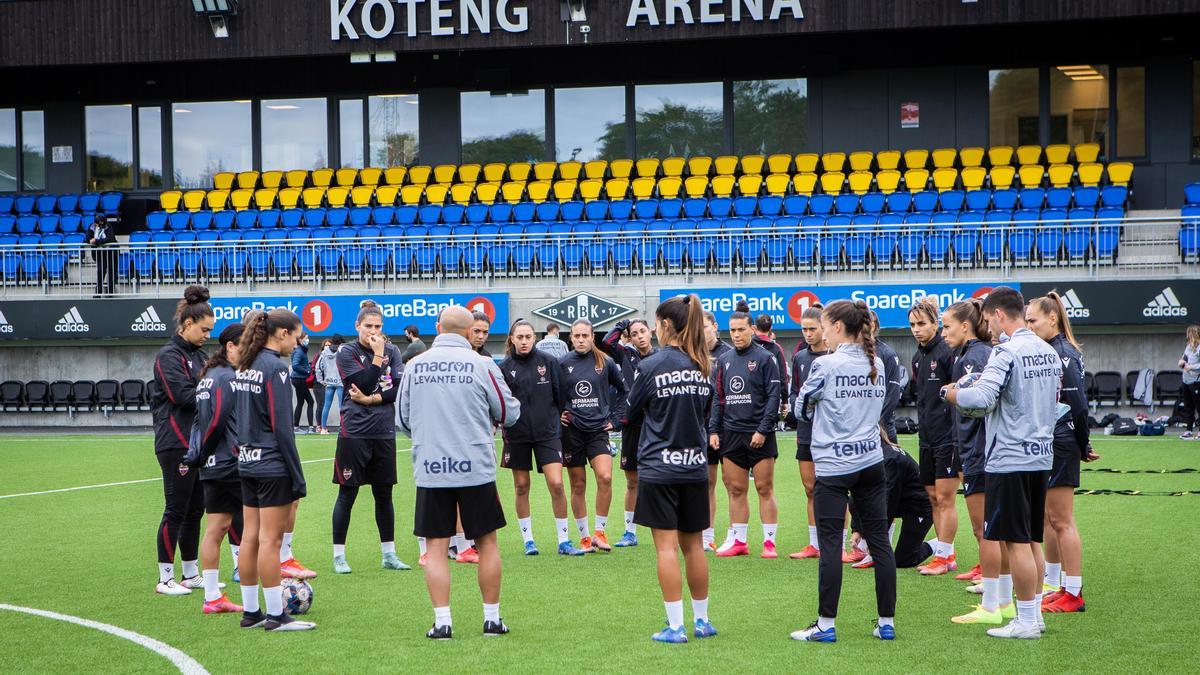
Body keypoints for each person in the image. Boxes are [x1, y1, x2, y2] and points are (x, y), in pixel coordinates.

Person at [944, 286, 1061, 640]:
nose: (988, 329)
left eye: (988, 320)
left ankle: (1026, 621)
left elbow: (981, 400)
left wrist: (953, 394)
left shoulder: (1005, 352)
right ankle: (1034, 614)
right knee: (1031, 539)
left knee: (1016, 542)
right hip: (1041, 453)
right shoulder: (1047, 350)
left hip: (1009, 456)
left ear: (997, 315)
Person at [400, 305, 520, 640]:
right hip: (475, 469)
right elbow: (509, 413)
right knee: (487, 543)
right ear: (470, 332)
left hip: (431, 468)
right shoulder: (483, 365)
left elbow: (402, 419)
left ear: (439, 328)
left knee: (436, 546)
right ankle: (492, 620)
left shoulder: (414, 366)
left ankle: (442, 623)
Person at [791, 299, 896, 643]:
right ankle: (886, 623)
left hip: (835, 466)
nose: (820, 331)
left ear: (837, 327)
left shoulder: (825, 365)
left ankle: (826, 624)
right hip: (871, 461)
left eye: (822, 324)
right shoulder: (876, 361)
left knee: (831, 543)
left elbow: (801, 409)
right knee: (880, 542)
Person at [626, 294, 717, 643]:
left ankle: (676, 626)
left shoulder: (650, 366)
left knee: (666, 548)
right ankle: (703, 621)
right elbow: (705, 413)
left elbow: (631, 413)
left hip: (659, 468)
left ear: (665, 325)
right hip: (695, 467)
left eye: (654, 322)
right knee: (693, 546)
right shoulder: (704, 365)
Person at [233, 308, 314, 631]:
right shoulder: (275, 370)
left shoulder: (244, 365)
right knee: (270, 540)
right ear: (282, 333)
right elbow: (283, 428)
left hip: (247, 462)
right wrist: (297, 475)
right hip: (271, 464)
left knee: (250, 538)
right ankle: (276, 615)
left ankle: (251, 612)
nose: (297, 343)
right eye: (296, 336)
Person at [1027, 292, 1100, 614]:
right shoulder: (1050, 350)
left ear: (1052, 318)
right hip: (1053, 440)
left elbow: (1078, 406)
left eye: (1033, 320)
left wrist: (1083, 444)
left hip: (1062, 440)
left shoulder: (1062, 353)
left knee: (1062, 520)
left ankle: (1074, 591)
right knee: (1049, 518)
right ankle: (1058, 585)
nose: (1028, 326)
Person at [331, 301, 410, 574]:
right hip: (354, 432)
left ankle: (389, 553)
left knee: (384, 494)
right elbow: (360, 383)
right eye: (368, 326)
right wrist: (377, 357)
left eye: (378, 326)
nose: (373, 331)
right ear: (357, 326)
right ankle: (339, 556)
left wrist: (371, 400)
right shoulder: (347, 351)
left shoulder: (394, 350)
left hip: (384, 431)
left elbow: (397, 389)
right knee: (347, 493)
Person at [499, 319, 584, 556]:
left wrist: (553, 419)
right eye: (520, 337)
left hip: (548, 433)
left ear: (534, 338)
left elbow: (560, 396)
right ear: (512, 339)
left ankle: (564, 541)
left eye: (528, 337)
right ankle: (528, 541)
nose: (524, 341)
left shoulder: (549, 362)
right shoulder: (504, 367)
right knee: (521, 487)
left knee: (556, 484)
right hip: (517, 435)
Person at [151, 285, 213, 596]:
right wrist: (213, 394)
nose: (206, 335)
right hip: (175, 442)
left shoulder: (199, 355)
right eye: (203, 330)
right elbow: (183, 396)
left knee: (195, 509)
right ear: (187, 325)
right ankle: (165, 578)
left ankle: (190, 573)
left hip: (197, 442)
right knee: (175, 509)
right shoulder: (168, 356)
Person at [181, 323, 247, 615]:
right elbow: (218, 421)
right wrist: (206, 451)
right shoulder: (228, 377)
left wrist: (198, 454)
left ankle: (212, 598)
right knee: (257, 527)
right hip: (230, 462)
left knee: (216, 529)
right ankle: (261, 598)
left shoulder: (207, 376)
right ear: (230, 346)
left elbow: (198, 421)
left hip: (211, 465)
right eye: (246, 345)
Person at [710, 301, 782, 559]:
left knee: (764, 487)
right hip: (731, 434)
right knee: (736, 489)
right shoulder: (724, 361)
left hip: (759, 434)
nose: (737, 334)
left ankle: (769, 542)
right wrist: (714, 431)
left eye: (741, 329)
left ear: (752, 329)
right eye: (733, 330)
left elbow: (774, 397)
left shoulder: (766, 358)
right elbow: (719, 399)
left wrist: (763, 429)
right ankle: (739, 541)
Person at [939, 299, 995, 605]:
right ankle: (992, 579)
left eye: (947, 327)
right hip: (983, 448)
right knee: (990, 524)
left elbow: (975, 405)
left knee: (982, 526)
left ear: (965, 325)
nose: (943, 333)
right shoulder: (979, 354)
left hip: (978, 449)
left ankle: (993, 585)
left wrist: (952, 393)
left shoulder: (971, 358)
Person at [559, 318, 627, 552]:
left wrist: (616, 420)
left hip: (598, 430)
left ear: (592, 337)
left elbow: (623, 390)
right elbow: (552, 396)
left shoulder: (605, 361)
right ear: (570, 337)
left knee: (605, 477)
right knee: (578, 485)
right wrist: (559, 414)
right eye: (576, 336)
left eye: (585, 336)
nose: (580, 340)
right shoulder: (562, 363)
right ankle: (585, 537)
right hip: (572, 432)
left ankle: (600, 532)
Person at [908, 297, 960, 576]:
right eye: (913, 325)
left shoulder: (946, 352)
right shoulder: (918, 356)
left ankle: (944, 555)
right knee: (931, 496)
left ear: (935, 323)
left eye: (922, 324)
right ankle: (945, 554)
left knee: (944, 497)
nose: (916, 329)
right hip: (926, 435)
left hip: (948, 436)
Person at [599, 317, 658, 548]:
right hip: (632, 424)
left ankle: (664, 527)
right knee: (632, 480)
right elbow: (606, 342)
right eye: (634, 333)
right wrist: (623, 324)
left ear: (650, 333)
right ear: (630, 337)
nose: (640, 336)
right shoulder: (626, 356)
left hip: (657, 423)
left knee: (660, 479)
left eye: (643, 331)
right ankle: (629, 532)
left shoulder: (660, 357)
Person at [849, 426, 934, 571]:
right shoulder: (869, 456)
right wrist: (857, 529)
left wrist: (875, 541)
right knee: (854, 498)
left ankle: (941, 545)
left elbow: (887, 501)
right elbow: (860, 493)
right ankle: (870, 548)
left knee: (903, 560)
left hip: (919, 506)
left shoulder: (889, 458)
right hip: (902, 502)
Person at [787, 303, 830, 560]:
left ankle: (840, 543)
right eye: (804, 329)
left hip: (830, 433)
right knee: (810, 488)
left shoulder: (834, 356)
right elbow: (795, 391)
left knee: (834, 487)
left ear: (824, 328)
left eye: (812, 328)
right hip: (806, 431)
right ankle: (814, 544)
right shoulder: (800, 357)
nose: (807, 334)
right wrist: (797, 407)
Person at [700, 311, 732, 552]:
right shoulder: (693, 353)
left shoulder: (729, 354)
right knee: (707, 481)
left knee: (732, 482)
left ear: (714, 326)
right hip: (703, 426)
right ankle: (707, 535)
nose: (702, 331)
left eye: (705, 326)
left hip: (729, 426)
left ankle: (735, 533)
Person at [872, 313, 906, 444]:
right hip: (860, 432)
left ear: (873, 326)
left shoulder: (887, 354)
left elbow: (892, 395)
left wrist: (877, 424)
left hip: (884, 428)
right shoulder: (853, 354)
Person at [751, 313, 789, 421]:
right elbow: (783, 377)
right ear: (771, 328)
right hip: (770, 401)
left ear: (754, 327)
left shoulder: (747, 346)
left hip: (748, 400)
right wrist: (785, 401)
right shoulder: (776, 348)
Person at [315, 336, 344, 435]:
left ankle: (323, 429)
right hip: (340, 382)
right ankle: (343, 428)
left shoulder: (325, 352)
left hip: (329, 382)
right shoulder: (342, 351)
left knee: (326, 406)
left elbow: (318, 367)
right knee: (341, 406)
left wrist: (320, 380)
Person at [87, 214, 116, 296]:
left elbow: (111, 238)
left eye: (102, 223)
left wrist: (97, 241)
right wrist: (91, 240)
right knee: (100, 271)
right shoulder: (91, 227)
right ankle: (98, 292)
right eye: (99, 223)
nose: (100, 225)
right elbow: (87, 238)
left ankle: (110, 292)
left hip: (110, 252)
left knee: (111, 271)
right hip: (99, 253)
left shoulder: (108, 226)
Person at [291, 333, 315, 434]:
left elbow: (299, 364)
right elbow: (295, 365)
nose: (307, 340)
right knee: (310, 401)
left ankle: (296, 427)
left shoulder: (301, 351)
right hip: (299, 379)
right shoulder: (299, 351)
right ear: (300, 340)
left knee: (301, 402)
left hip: (298, 379)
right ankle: (309, 428)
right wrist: (307, 371)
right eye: (306, 338)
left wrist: (307, 366)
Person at [1179, 325, 1200, 439]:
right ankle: (1189, 430)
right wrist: (1181, 361)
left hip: (1196, 381)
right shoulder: (1188, 346)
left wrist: (1191, 367)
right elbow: (1184, 358)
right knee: (1189, 407)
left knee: (1199, 406)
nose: (1187, 336)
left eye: (1189, 334)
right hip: (1186, 380)